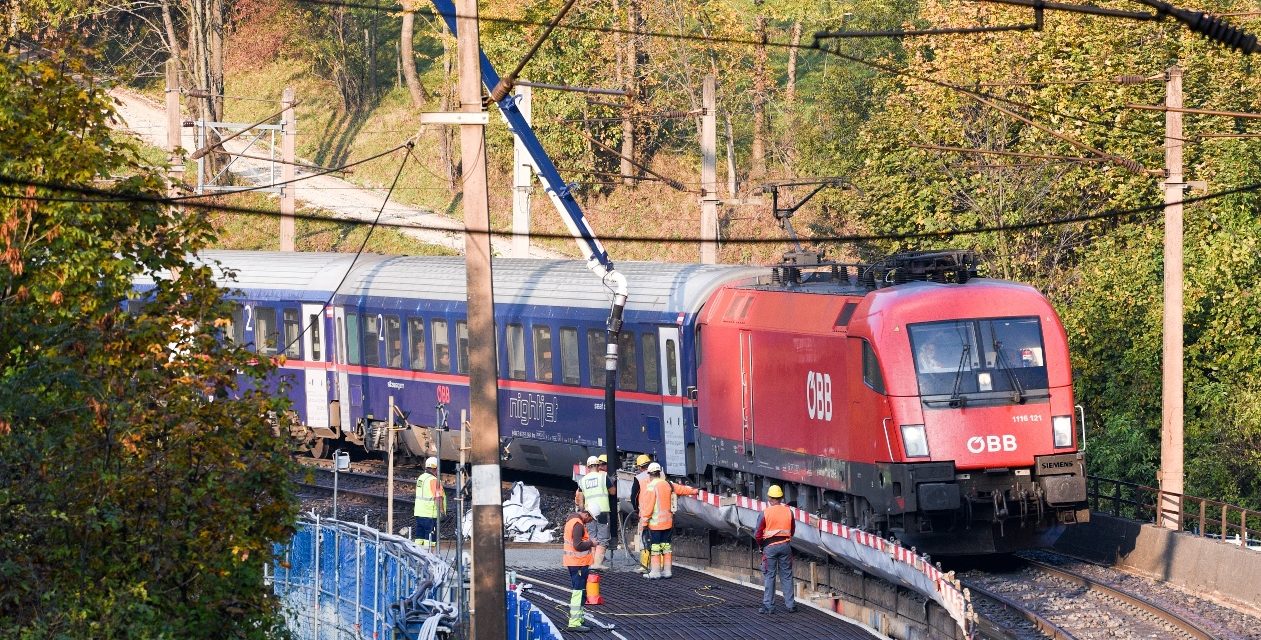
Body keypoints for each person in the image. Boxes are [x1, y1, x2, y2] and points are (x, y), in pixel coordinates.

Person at [638, 462, 698, 579]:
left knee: (655, 548)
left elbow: (648, 508)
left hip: (655, 524)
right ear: (660, 473)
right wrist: (695, 491)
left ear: (649, 474)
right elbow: (681, 489)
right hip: (668, 523)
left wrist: (644, 523)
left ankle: (655, 571)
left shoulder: (651, 487)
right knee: (666, 547)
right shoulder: (667, 484)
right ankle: (667, 571)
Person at [755, 485, 796, 614]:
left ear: (770, 498)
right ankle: (791, 605)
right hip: (785, 546)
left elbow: (758, 534)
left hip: (770, 547)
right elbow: (792, 530)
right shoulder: (789, 511)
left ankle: (769, 606)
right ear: (781, 498)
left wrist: (761, 546)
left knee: (770, 576)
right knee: (787, 575)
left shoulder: (765, 513)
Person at [575, 454, 615, 569]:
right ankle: (598, 563)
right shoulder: (603, 477)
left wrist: (582, 512)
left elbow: (580, 500)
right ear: (598, 466)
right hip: (602, 511)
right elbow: (612, 492)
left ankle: (592, 562)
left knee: (592, 537)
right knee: (603, 538)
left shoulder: (582, 480)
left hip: (589, 513)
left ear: (588, 467)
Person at [562, 510, 596, 633]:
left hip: (576, 563)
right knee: (578, 592)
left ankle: (579, 619)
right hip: (578, 563)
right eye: (590, 519)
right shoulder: (578, 524)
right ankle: (574, 622)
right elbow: (578, 545)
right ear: (586, 515)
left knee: (581, 592)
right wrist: (592, 543)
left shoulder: (572, 521)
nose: (590, 521)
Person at [413, 457, 445, 550]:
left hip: (419, 513)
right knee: (430, 539)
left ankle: (417, 556)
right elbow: (438, 497)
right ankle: (429, 557)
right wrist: (441, 511)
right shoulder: (434, 480)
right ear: (436, 468)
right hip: (430, 515)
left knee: (419, 537)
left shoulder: (421, 478)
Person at [628, 454, 653, 570]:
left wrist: (636, 509)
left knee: (645, 539)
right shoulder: (660, 474)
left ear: (639, 467)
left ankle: (645, 565)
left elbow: (634, 496)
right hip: (660, 513)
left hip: (645, 513)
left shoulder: (639, 478)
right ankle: (661, 566)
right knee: (660, 542)